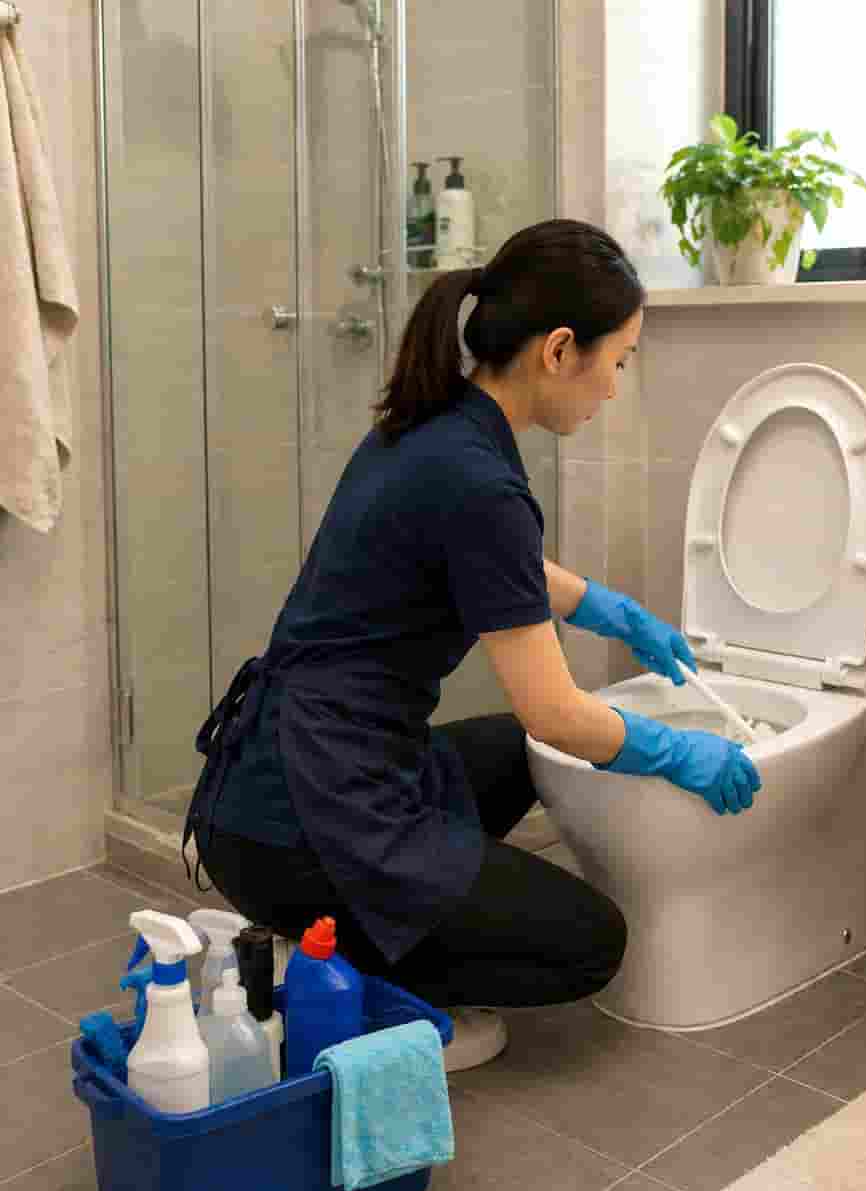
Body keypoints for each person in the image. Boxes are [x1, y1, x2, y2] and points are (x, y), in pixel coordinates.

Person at [184, 219, 762, 1071]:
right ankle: (326, 973)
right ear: (561, 351)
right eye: (620, 360)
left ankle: (378, 915)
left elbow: (494, 557)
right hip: (303, 816)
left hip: (272, 784)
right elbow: (560, 714)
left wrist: (607, 609)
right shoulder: (478, 475)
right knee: (588, 943)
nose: (614, 387)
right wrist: (680, 753)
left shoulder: (436, 423)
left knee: (507, 750)